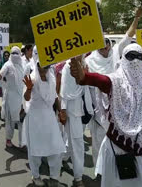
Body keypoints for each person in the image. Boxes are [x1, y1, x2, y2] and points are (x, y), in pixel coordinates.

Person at [70, 43, 142, 187]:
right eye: (131, 56)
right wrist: (83, 76)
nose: (136, 60)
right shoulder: (117, 81)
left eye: (140, 56)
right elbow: (101, 81)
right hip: (118, 150)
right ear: (123, 59)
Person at [84, 8, 142, 170]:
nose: (106, 48)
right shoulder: (89, 61)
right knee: (99, 143)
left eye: (107, 45)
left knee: (118, 144)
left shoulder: (116, 53)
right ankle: (101, 173)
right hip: (98, 110)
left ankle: (118, 172)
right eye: (102, 46)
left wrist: (136, 18)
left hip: (119, 107)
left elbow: (128, 36)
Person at [22, 58, 66, 187]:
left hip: (49, 117)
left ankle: (54, 177)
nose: (44, 68)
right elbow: (26, 98)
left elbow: (54, 96)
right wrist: (29, 89)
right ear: (37, 65)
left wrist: (60, 111)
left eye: (47, 65)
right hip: (35, 117)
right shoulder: (32, 78)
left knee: (56, 148)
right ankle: (36, 176)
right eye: (42, 65)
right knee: (35, 149)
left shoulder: (51, 77)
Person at [60, 54, 93, 187]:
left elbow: (87, 87)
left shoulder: (84, 64)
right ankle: (78, 178)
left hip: (83, 108)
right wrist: (63, 109)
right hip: (72, 110)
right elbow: (65, 89)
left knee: (73, 141)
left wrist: (85, 74)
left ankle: (59, 158)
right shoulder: (68, 67)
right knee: (78, 144)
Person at [0, 47, 24, 148]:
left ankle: (22, 143)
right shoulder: (7, 65)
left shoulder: (22, 65)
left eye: (16, 53)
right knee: (10, 121)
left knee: (22, 121)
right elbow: (0, 75)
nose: (15, 55)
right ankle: (8, 139)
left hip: (21, 98)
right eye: (12, 53)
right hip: (10, 98)